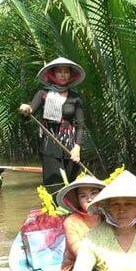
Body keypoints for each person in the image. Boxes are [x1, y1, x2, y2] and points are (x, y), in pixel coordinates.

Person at [18, 57, 85, 186]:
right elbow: (30, 110)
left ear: (71, 75)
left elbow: (80, 125)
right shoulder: (43, 94)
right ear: (53, 74)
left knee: (74, 184)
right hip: (49, 144)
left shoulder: (75, 97)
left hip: (70, 145)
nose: (63, 75)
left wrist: (77, 147)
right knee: (53, 183)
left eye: (66, 71)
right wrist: (26, 109)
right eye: (59, 71)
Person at [55, 175, 105, 271]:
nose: (89, 199)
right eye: (83, 196)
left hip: (107, 266)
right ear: (78, 200)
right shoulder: (71, 222)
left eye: (94, 193)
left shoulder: (108, 218)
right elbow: (82, 255)